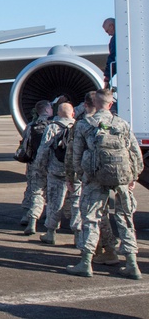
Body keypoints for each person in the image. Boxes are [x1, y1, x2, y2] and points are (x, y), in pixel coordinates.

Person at [66, 89, 143, 279]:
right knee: (125, 219)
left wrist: (78, 176)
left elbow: (75, 155)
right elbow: (135, 152)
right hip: (121, 177)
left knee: (91, 218)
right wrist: (133, 176)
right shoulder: (122, 124)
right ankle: (132, 264)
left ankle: (86, 262)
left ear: (95, 103)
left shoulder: (84, 125)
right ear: (110, 104)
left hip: (95, 177)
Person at [36, 103, 75, 244]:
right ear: (73, 113)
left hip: (56, 171)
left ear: (58, 113)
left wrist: (40, 168)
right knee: (76, 204)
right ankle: (78, 234)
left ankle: (51, 233)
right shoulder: (79, 126)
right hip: (76, 173)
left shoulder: (52, 126)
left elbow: (43, 149)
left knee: (54, 202)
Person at [21, 100, 55, 235]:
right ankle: (50, 221)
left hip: (34, 163)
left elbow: (25, 144)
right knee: (53, 193)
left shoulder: (30, 126)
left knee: (35, 191)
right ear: (47, 110)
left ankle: (30, 218)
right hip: (51, 163)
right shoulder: (54, 125)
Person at [103, 17, 116, 86]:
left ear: (111, 26)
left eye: (107, 31)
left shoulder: (115, 39)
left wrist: (107, 77)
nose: (108, 34)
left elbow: (113, 57)